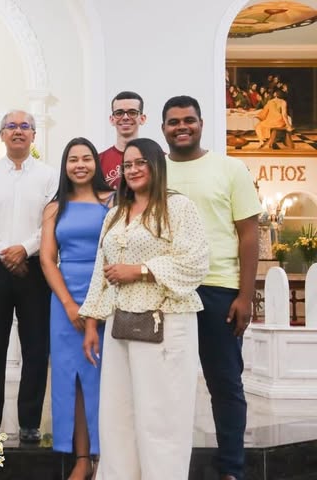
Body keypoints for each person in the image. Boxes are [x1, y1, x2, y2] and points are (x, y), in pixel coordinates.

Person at [80, 137, 209, 479]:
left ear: (156, 165)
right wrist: (92, 322)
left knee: (161, 417)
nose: (133, 170)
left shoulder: (178, 207)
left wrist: (139, 270)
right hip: (121, 323)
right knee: (118, 415)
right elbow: (101, 271)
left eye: (141, 163)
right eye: (127, 165)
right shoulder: (115, 214)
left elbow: (195, 262)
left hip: (166, 321)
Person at [161, 96, 261, 480]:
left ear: (201, 124)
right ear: (163, 128)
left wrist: (245, 296)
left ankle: (231, 468)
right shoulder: (155, 170)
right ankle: (166, 466)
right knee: (166, 383)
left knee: (225, 383)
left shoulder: (230, 168)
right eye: (174, 122)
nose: (181, 127)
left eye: (188, 120)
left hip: (219, 288)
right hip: (167, 289)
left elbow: (248, 235)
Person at [0, 110, 58, 443]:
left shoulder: (49, 176)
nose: (18, 131)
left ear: (33, 134)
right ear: (2, 134)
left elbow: (51, 220)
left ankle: (30, 423)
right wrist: (5, 252)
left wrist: (25, 248)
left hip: (35, 267)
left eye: (25, 126)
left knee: (35, 347)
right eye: (11, 126)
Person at [40, 137, 114, 479]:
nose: (80, 165)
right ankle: (82, 459)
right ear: (65, 166)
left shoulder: (112, 202)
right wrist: (69, 304)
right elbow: (47, 259)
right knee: (74, 379)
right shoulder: (55, 207)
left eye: (86, 158)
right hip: (65, 296)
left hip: (108, 291)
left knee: (106, 377)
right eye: (73, 159)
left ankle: (108, 458)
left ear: (96, 163)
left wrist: (95, 305)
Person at [99, 91, 146, 188]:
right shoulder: (98, 161)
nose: (125, 117)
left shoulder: (159, 159)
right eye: (119, 113)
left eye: (132, 112)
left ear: (142, 119)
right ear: (112, 119)